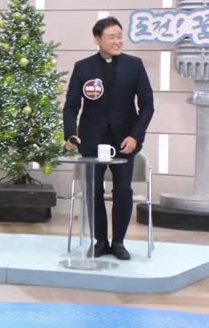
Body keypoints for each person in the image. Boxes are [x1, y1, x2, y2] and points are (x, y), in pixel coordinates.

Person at [63, 16, 154, 260]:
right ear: (97, 39)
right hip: (91, 140)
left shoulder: (135, 65)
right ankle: (100, 241)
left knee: (123, 191)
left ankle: (119, 242)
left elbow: (147, 106)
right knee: (93, 191)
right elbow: (71, 107)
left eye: (120, 36)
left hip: (125, 141)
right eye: (111, 37)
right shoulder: (83, 68)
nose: (117, 41)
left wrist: (135, 136)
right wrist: (71, 133)